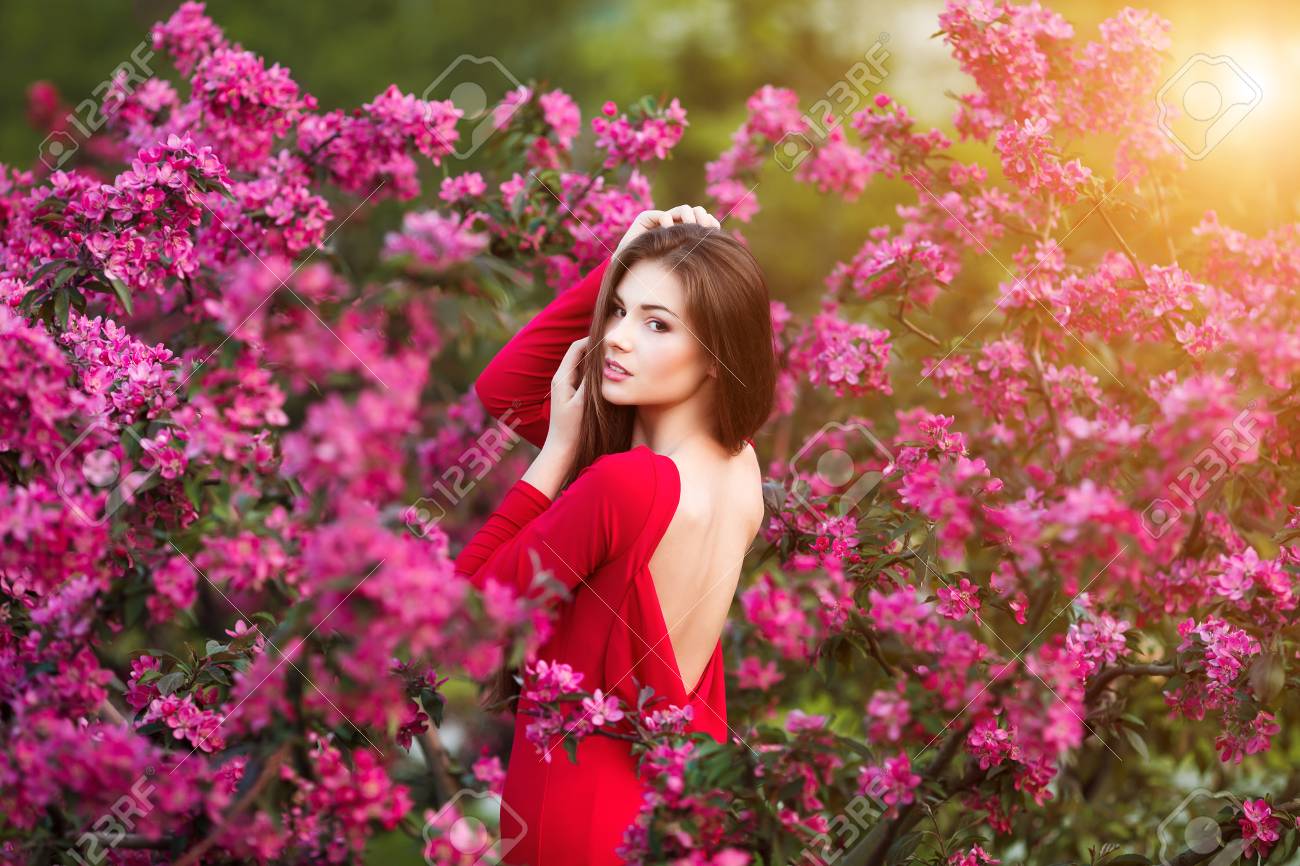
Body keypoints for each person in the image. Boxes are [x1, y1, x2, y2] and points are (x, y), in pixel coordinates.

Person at [453, 204, 777, 864]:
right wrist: (627, 264)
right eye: (618, 311)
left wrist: (555, 454)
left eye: (657, 324)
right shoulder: (740, 466)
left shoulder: (625, 485)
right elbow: (504, 392)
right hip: (672, 820)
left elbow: (462, 620)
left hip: (573, 814)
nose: (617, 339)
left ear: (717, 355)